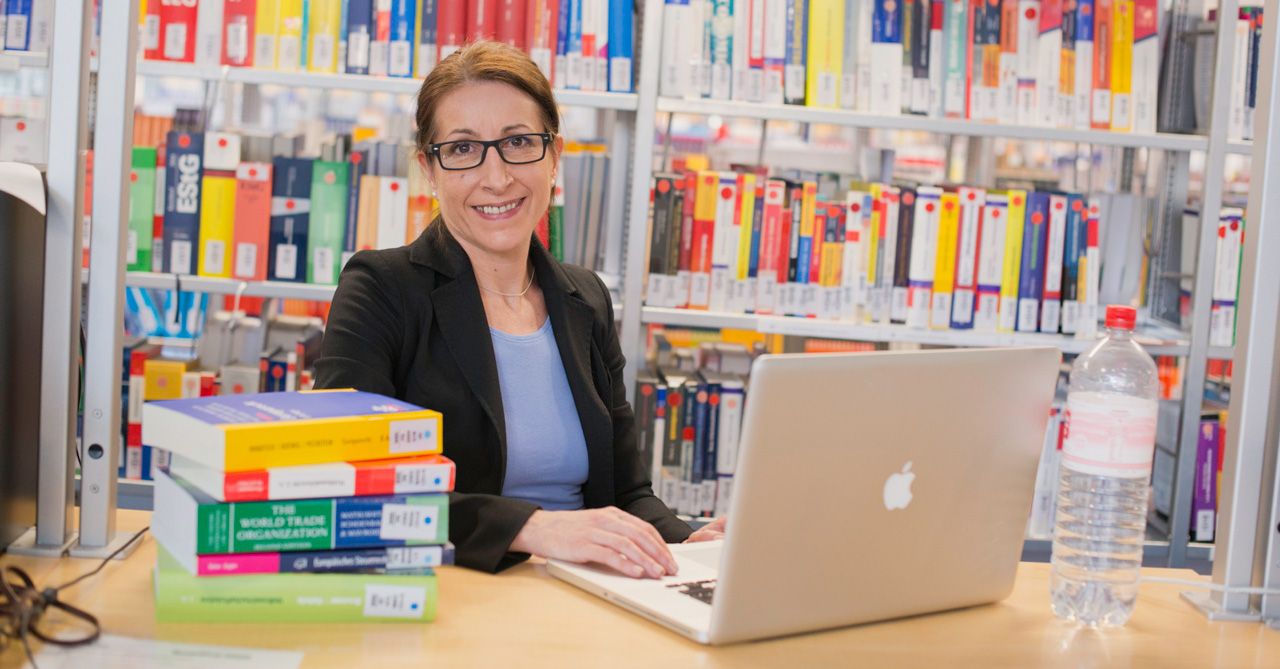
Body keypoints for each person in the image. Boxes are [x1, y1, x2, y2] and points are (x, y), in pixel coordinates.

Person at [314, 40, 726, 578]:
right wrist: (535, 528)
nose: (497, 176)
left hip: (589, 594)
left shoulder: (587, 299)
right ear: (429, 169)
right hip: (459, 594)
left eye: (519, 142)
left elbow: (628, 493)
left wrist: (693, 537)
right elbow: (348, 483)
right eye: (463, 149)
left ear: (554, 157)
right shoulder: (381, 290)